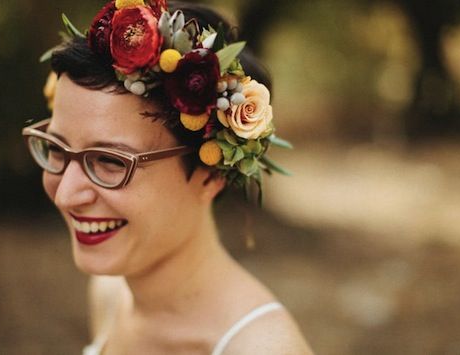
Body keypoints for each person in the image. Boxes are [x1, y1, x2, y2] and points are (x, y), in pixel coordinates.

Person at [22, 0, 314, 353]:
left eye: (110, 161)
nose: (66, 194)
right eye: (56, 148)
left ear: (210, 174)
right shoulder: (110, 294)